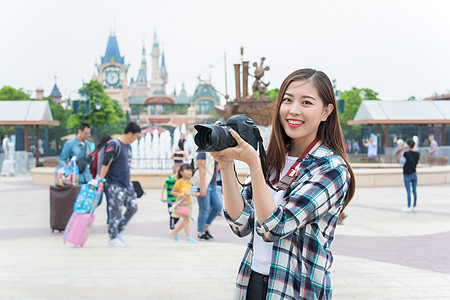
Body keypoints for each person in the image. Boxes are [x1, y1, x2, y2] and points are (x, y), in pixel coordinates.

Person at [210, 68, 355, 299]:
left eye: (306, 102)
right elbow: (242, 224)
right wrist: (226, 166)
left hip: (298, 288)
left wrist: (254, 165)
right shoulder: (273, 160)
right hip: (253, 281)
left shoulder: (331, 168)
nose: (293, 110)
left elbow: (276, 226)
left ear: (326, 111)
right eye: (287, 100)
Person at [98, 122, 141, 247]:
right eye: (136, 136)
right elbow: (106, 163)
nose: (136, 139)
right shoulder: (114, 145)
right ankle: (112, 238)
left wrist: (129, 180)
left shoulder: (128, 146)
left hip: (126, 184)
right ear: (129, 134)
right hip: (114, 183)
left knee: (133, 207)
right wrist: (101, 180)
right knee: (115, 211)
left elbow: (127, 165)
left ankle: (119, 231)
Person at [194, 151, 222, 241]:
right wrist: (203, 188)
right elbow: (201, 171)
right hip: (203, 185)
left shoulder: (214, 153)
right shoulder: (202, 153)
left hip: (212, 185)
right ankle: (201, 232)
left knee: (218, 207)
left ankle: (205, 226)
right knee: (204, 209)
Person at [169, 164, 200, 243]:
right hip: (181, 204)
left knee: (186, 220)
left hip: (188, 204)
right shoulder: (179, 182)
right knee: (186, 220)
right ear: (181, 172)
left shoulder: (191, 182)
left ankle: (174, 232)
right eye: (187, 170)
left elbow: (192, 192)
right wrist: (178, 195)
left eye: (190, 170)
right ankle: (188, 237)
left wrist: (197, 194)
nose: (190, 172)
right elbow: (172, 192)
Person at [90, 135, 112, 221]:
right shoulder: (106, 149)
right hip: (103, 179)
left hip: (99, 178)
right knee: (105, 201)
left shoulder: (99, 149)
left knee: (98, 201)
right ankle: (87, 214)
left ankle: (87, 215)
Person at [401, 139, 420, 213]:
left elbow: (401, 161)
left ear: (408, 145)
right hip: (414, 174)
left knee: (408, 191)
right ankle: (414, 206)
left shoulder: (406, 154)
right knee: (414, 191)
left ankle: (408, 206)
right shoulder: (417, 154)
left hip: (407, 174)